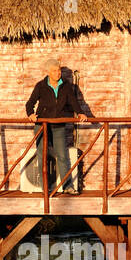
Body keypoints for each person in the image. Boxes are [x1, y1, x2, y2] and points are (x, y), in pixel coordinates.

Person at [25, 58, 80, 192]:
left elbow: (73, 102)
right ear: (48, 72)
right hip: (42, 125)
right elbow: (30, 103)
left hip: (58, 125)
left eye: (59, 70)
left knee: (62, 156)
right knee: (42, 155)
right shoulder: (41, 86)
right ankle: (45, 189)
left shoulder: (66, 86)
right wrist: (31, 114)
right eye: (54, 71)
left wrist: (81, 113)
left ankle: (67, 187)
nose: (58, 73)